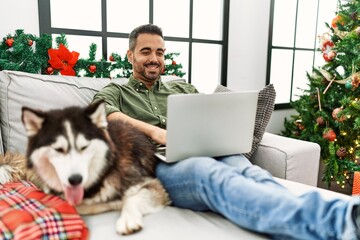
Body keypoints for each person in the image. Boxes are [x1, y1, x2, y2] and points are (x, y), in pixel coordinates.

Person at [92, 23, 360, 240]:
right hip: (160, 164)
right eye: (146, 51)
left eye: (160, 52)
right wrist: (157, 133)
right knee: (211, 175)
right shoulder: (116, 91)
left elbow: (209, 116)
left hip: (205, 150)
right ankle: (342, 221)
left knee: (252, 173)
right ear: (131, 56)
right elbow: (104, 114)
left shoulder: (181, 88)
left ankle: (318, 222)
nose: (154, 59)